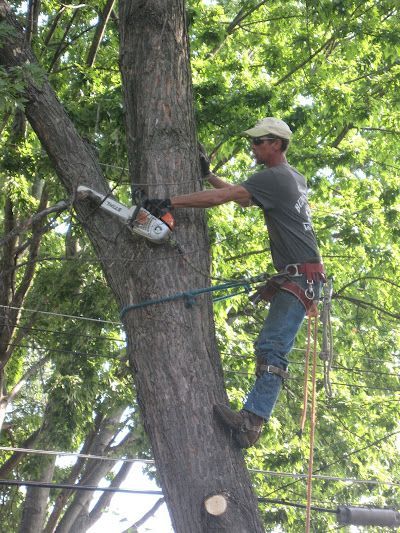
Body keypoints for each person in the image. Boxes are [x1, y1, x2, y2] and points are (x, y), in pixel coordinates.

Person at [145, 117, 324, 448]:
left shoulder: (276, 177)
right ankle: (252, 420)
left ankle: (251, 422)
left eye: (258, 142)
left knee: (272, 349)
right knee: (269, 347)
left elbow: (220, 200)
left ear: (276, 144)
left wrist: (169, 202)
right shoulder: (291, 178)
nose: (253, 147)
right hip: (301, 274)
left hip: (301, 275)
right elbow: (241, 197)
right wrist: (207, 176)